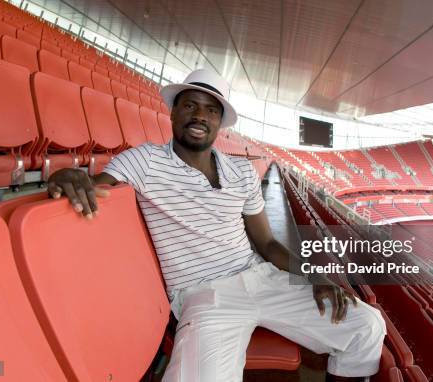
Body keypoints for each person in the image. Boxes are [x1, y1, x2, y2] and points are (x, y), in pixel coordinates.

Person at [47, 69, 386, 382]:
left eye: (211, 110)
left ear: (220, 122)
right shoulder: (145, 160)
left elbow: (266, 244)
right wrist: (66, 175)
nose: (199, 115)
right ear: (173, 112)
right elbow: (96, 185)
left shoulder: (240, 172)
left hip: (261, 278)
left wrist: (314, 276)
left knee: (367, 325)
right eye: (190, 105)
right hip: (204, 293)